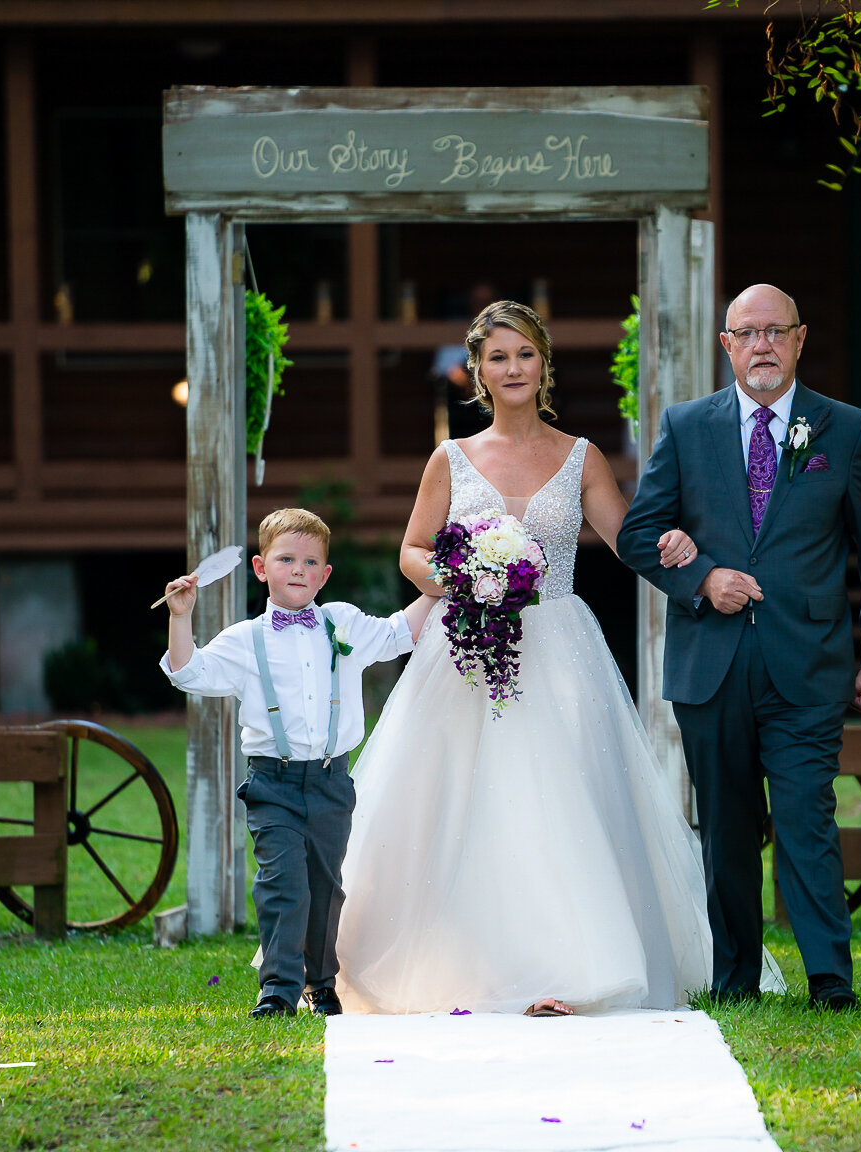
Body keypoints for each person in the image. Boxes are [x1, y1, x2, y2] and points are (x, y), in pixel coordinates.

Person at [333, 300, 720, 1016]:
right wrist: (464, 577)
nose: (512, 368)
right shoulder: (450, 457)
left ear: (544, 365)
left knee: (558, 803)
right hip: (467, 652)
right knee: (459, 803)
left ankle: (570, 970)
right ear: (478, 371)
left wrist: (686, 557)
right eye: (498, 357)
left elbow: (630, 539)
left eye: (525, 355)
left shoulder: (581, 457)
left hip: (559, 646)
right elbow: (412, 552)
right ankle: (458, 964)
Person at [618, 283, 861, 1010]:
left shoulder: (842, 429)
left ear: (800, 340)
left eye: (776, 332)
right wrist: (701, 577)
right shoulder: (686, 428)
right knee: (726, 828)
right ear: (726, 345)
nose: (762, 346)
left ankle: (831, 981)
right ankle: (735, 976)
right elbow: (637, 536)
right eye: (747, 333)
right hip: (709, 665)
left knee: (807, 816)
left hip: (808, 662)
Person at [161, 508, 430, 1019]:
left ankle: (321, 982)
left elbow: (402, 632)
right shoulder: (245, 639)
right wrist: (181, 616)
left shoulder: (342, 623)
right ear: (262, 568)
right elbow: (188, 672)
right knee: (283, 883)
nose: (299, 570)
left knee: (325, 888)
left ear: (325, 574)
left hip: (330, 780)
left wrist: (452, 582)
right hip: (272, 782)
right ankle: (279, 990)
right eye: (287, 560)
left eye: (311, 562)